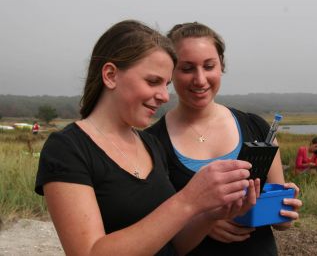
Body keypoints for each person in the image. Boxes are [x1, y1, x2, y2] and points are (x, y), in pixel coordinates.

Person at [34, 20, 260, 256]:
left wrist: (210, 212)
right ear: (111, 75)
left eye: (166, 84)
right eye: (153, 81)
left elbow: (174, 244)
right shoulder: (68, 149)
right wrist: (188, 200)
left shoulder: (151, 145)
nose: (164, 96)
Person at [146, 22, 302, 256]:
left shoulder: (257, 128)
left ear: (221, 66)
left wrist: (284, 210)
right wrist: (203, 220)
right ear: (169, 72)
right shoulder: (151, 142)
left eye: (209, 66)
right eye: (187, 68)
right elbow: (152, 227)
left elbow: (281, 223)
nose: (200, 79)